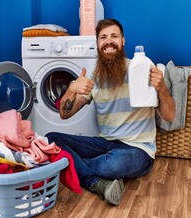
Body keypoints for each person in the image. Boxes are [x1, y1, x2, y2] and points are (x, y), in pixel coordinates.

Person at [46, 18, 175, 205]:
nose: (109, 41)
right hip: (105, 143)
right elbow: (64, 114)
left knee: (114, 164)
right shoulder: (93, 78)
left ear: (123, 41)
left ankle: (71, 164)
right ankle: (96, 182)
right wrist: (72, 89)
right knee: (51, 139)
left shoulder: (141, 70)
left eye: (114, 36)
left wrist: (162, 88)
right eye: (103, 37)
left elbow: (170, 116)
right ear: (97, 44)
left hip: (137, 149)